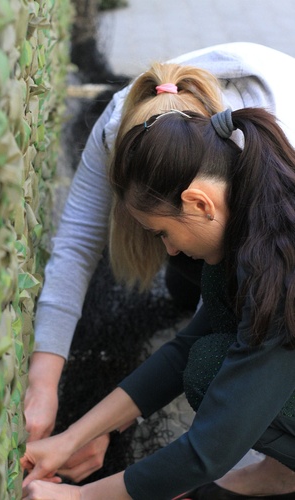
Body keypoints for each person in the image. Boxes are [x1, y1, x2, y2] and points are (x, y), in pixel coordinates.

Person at [24, 42, 295, 480]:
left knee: (224, 369)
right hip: (240, 235)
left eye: (162, 232)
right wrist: (57, 404)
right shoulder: (123, 123)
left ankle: (283, 470)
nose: (165, 251)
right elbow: (76, 246)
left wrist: (80, 496)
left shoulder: (279, 213)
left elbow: (211, 449)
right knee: (201, 313)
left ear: (199, 201)